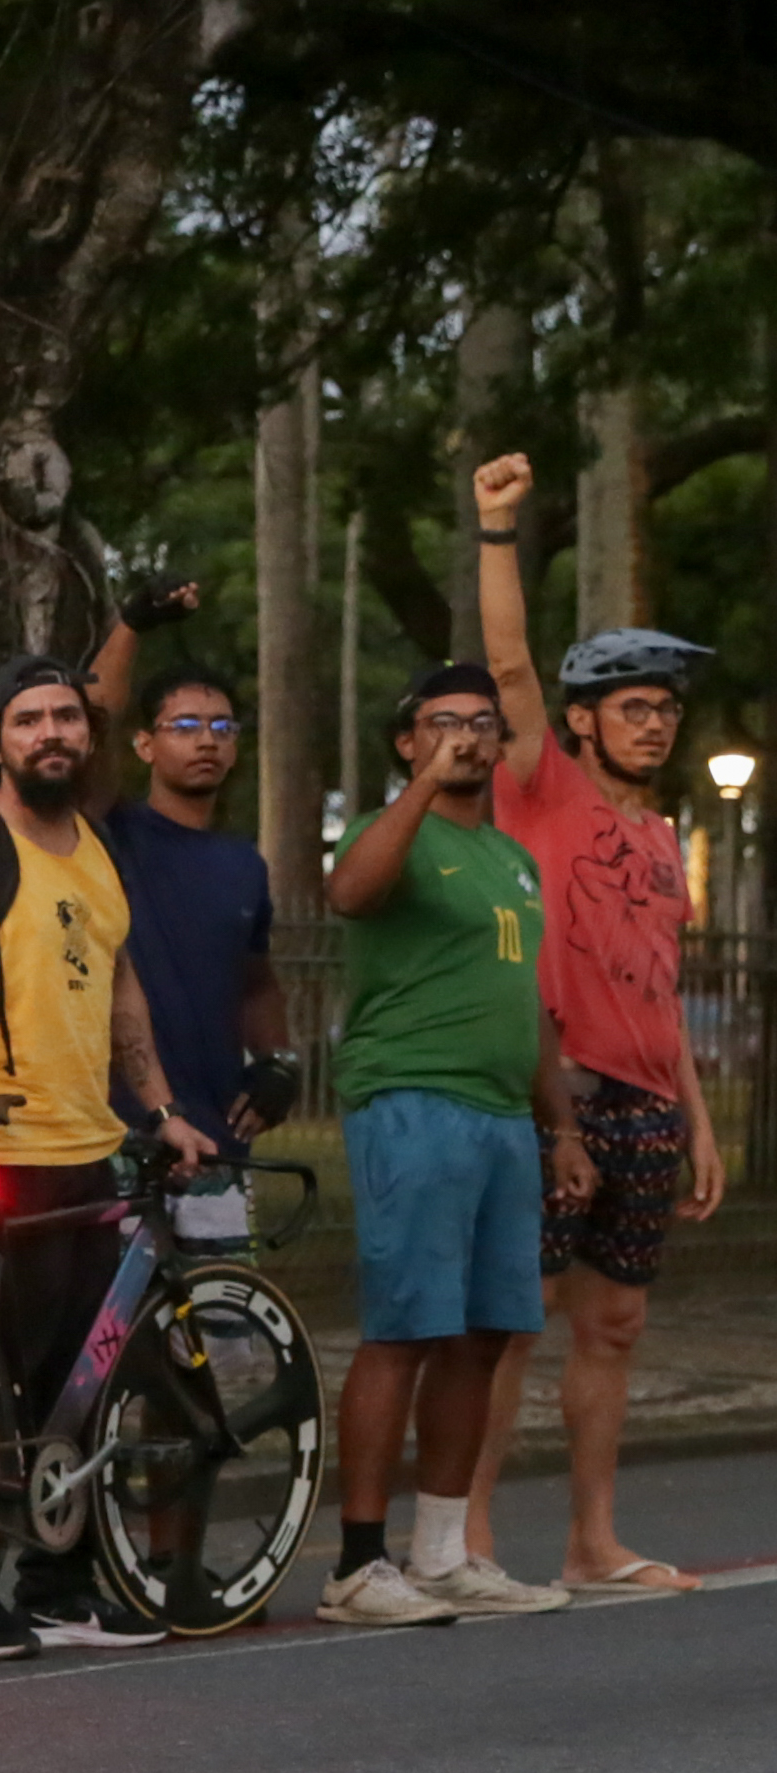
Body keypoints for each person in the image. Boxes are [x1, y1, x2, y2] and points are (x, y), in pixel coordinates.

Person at [0, 654, 227, 1655]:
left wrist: (159, 1105)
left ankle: (54, 1578)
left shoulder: (92, 850)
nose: (50, 734)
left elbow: (121, 996)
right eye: (29, 718)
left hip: (87, 1149)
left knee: (80, 1371)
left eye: (66, 717)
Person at [467, 452, 714, 1595]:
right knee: (513, 1315)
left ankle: (590, 1541)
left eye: (664, 707)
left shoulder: (664, 838)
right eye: (633, 705)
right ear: (582, 719)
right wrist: (496, 531)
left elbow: (658, 987)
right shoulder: (543, 786)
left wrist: (697, 1120)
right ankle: (461, 1540)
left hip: (648, 1105)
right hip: (556, 1091)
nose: (654, 723)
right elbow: (506, 662)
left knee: (612, 1324)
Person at [316, 651, 590, 1628]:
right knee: (404, 1327)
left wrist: (558, 1125)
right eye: (441, 721)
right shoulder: (389, 830)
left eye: (480, 720)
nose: (467, 734)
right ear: (407, 740)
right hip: (410, 1099)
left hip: (497, 1116)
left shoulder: (510, 860)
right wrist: (420, 786)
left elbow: (528, 1005)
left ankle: (440, 1552)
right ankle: (355, 1562)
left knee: (483, 1333)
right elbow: (347, 894)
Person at [78, 595, 295, 1155]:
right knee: (121, 1250)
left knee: (221, 1251)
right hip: (118, 1133)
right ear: (145, 745)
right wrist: (130, 624)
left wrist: (279, 1063)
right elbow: (93, 723)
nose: (207, 740)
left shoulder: (243, 863)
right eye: (185, 726)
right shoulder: (108, 830)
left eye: (223, 727)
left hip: (216, 1132)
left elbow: (257, 981)